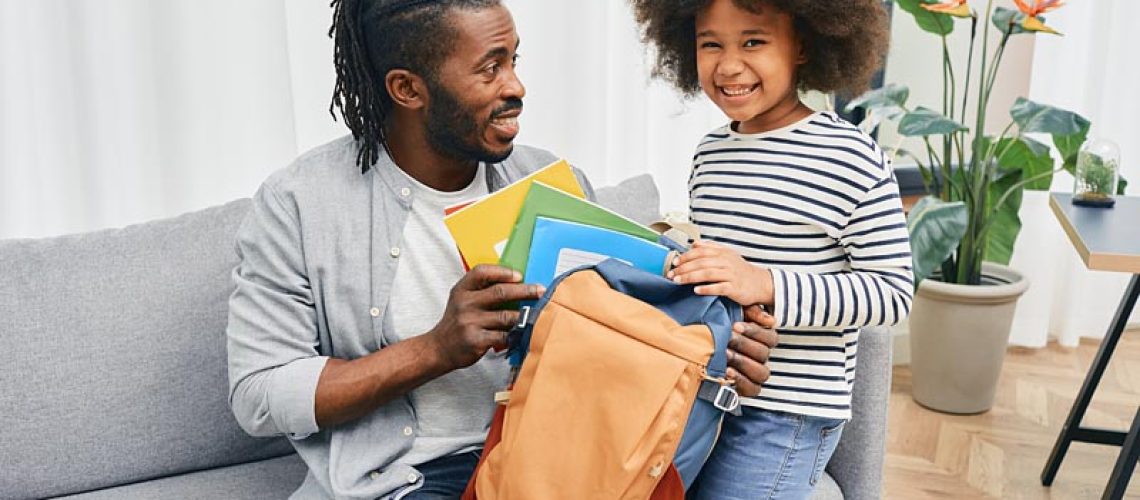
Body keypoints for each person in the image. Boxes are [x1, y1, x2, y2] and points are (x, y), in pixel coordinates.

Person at [226, 1, 779, 498]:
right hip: (405, 479)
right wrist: (436, 349)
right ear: (408, 89)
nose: (516, 87)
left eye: (514, 60)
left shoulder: (551, 183)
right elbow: (259, 393)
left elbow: (633, 340)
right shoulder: (300, 204)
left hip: (561, 464)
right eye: (490, 68)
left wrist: (719, 355)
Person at [630, 0, 912, 498]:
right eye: (710, 43)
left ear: (804, 43)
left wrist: (766, 284)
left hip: (789, 414)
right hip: (708, 392)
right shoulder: (710, 154)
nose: (729, 64)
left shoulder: (850, 157)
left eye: (753, 41)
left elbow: (891, 294)